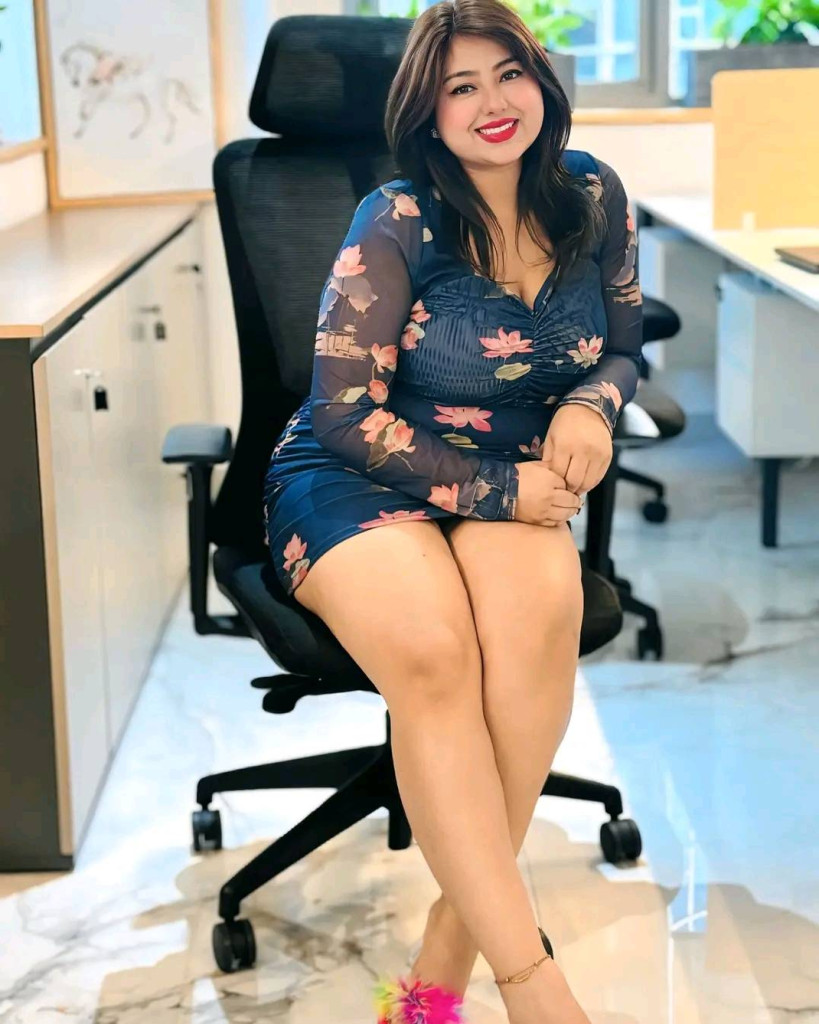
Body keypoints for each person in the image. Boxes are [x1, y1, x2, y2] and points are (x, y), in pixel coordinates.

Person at [262, 0, 643, 1019]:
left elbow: (621, 347)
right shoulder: (395, 218)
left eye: (508, 74)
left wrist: (592, 406)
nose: (491, 102)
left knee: (535, 628)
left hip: (513, 467)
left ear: (541, 82)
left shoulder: (594, 195)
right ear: (427, 116)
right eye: (459, 87)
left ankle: (442, 959)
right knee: (436, 657)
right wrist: (502, 491)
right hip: (360, 471)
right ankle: (531, 985)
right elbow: (342, 410)